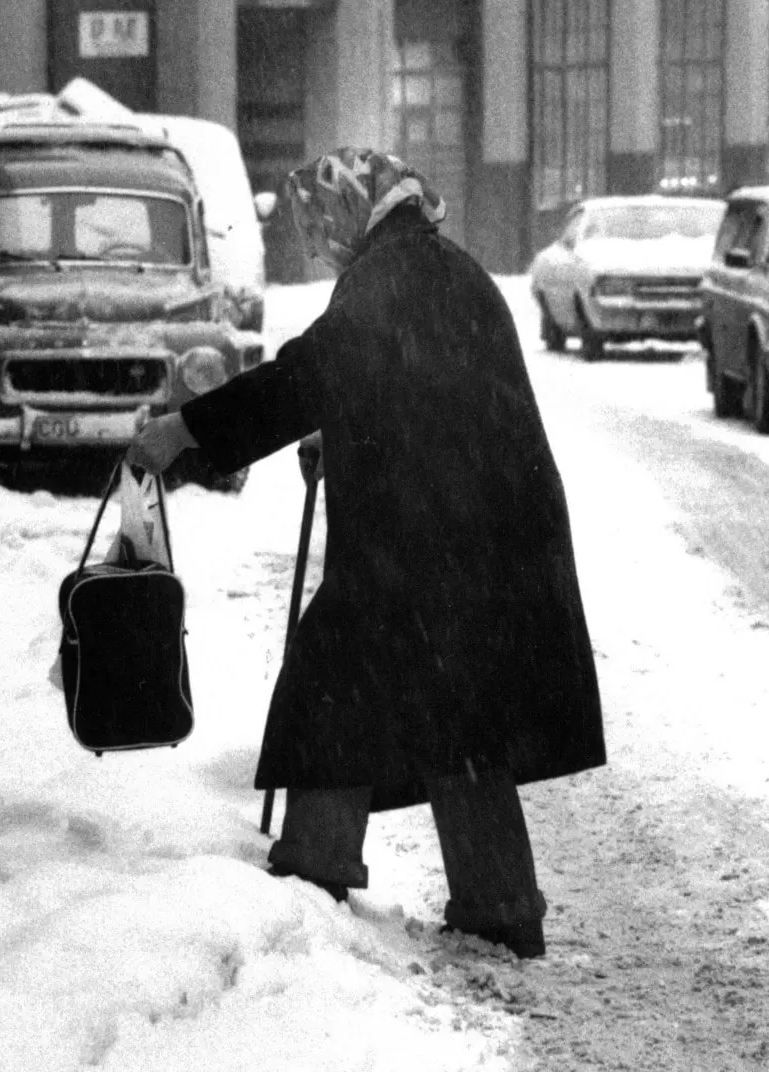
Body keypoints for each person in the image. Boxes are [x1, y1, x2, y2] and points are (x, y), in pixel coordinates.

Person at [126, 148, 604, 959]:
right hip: (478, 530)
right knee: (463, 712)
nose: (321, 249)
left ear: (355, 212)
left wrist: (188, 429)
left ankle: (316, 870)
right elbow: (410, 384)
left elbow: (310, 373)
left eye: (321, 230)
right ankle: (498, 902)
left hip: (438, 533)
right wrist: (343, 432)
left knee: (334, 683)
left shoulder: (392, 277)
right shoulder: (441, 266)